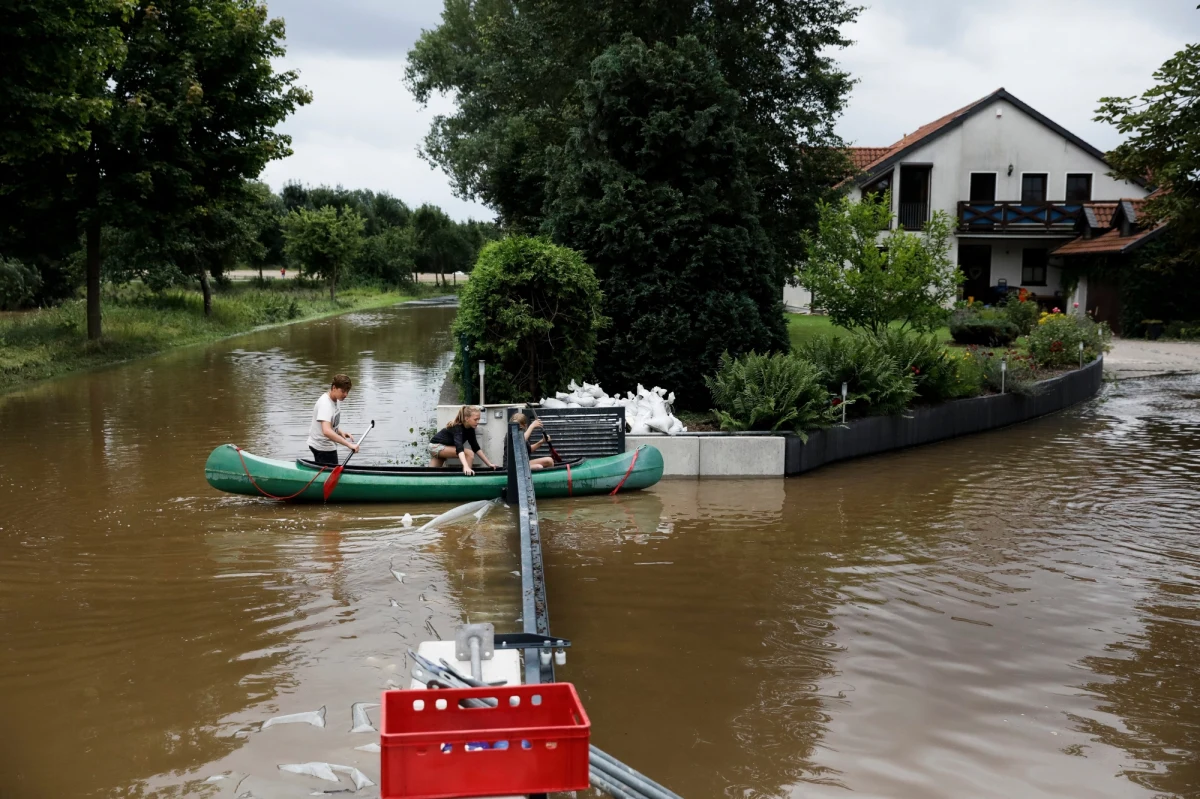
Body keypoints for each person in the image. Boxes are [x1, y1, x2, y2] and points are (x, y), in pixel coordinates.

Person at [305, 374, 358, 466]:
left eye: (347, 391)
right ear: (334, 387)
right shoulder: (325, 404)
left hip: (326, 445)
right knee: (330, 477)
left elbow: (330, 424)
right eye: (343, 391)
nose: (346, 394)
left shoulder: (336, 400)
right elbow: (326, 431)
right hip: (322, 448)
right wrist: (349, 445)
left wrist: (340, 432)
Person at [429, 406, 496, 476]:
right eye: (475, 419)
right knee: (469, 453)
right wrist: (466, 467)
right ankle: (467, 478)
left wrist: (489, 464)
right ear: (467, 418)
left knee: (431, 474)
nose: (478, 422)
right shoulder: (457, 427)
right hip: (435, 447)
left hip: (444, 447)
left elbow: (476, 447)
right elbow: (459, 448)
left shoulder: (470, 429)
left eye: (479, 419)